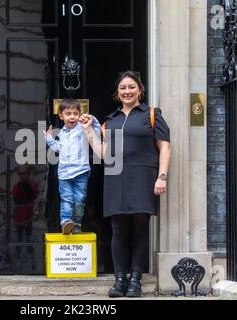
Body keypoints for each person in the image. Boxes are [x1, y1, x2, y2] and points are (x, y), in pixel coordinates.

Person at [80, 71, 171, 298]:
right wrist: (89, 132)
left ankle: (136, 280)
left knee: (140, 230)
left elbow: (165, 147)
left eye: (131, 87)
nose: (127, 91)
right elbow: (103, 153)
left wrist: (162, 176)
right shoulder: (111, 120)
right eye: (123, 88)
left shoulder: (152, 114)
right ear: (117, 93)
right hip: (115, 178)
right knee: (118, 230)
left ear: (140, 90)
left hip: (143, 177)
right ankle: (120, 279)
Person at [45, 99, 101, 235]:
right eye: (68, 113)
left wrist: (92, 119)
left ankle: (76, 224)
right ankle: (65, 221)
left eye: (75, 113)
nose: (72, 116)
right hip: (64, 173)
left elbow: (97, 133)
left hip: (81, 172)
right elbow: (58, 148)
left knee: (80, 199)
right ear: (61, 116)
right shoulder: (62, 134)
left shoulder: (83, 129)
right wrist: (49, 139)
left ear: (79, 115)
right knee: (67, 198)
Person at [11, 163, 39, 270]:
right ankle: (17, 263)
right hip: (20, 217)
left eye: (24, 173)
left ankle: (32, 262)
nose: (22, 176)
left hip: (30, 217)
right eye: (21, 174)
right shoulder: (17, 186)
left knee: (29, 240)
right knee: (19, 239)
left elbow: (35, 195)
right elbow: (16, 196)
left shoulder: (33, 184)